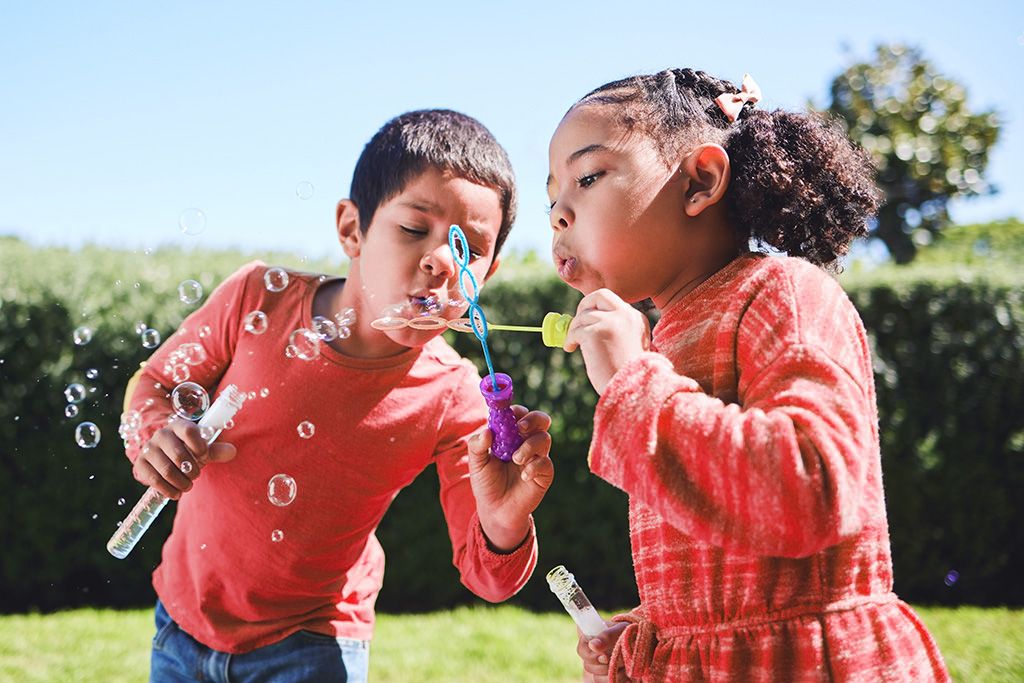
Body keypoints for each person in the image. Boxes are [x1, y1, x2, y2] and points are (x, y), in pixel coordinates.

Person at [121, 109, 554, 682]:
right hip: (182, 619)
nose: (441, 261)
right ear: (352, 229)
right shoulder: (256, 299)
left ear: (487, 274)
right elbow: (155, 385)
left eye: (468, 248)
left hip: (315, 642)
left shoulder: (455, 396)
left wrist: (504, 522)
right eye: (413, 228)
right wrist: (156, 435)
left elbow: (489, 579)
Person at [546, 69, 949, 681]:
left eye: (587, 178)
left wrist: (635, 384)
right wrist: (653, 636)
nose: (559, 215)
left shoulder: (782, 294)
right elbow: (727, 568)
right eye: (552, 199)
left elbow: (811, 490)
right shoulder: (663, 340)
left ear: (700, 182)